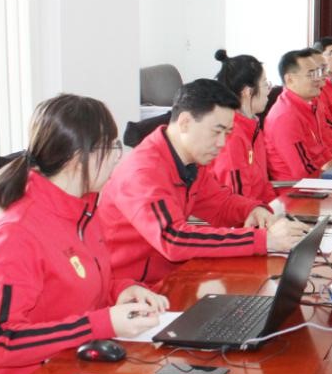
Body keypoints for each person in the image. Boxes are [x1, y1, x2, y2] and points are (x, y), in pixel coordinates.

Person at [0, 95, 168, 374]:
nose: (117, 158)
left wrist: (122, 289)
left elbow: (82, 284)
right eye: (111, 147)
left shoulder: (82, 211)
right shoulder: (16, 235)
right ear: (77, 158)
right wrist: (100, 324)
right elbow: (0, 342)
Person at [98, 79, 309, 287]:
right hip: (131, 291)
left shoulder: (189, 163)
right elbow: (173, 239)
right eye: (216, 132)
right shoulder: (143, 172)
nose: (221, 143)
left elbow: (220, 203)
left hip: (172, 279)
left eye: (227, 133)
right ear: (185, 123)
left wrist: (252, 210)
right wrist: (262, 240)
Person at [207, 49, 274, 207]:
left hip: (260, 212)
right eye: (265, 84)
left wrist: (277, 211)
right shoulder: (231, 135)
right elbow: (237, 202)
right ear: (247, 91)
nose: (269, 90)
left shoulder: (253, 127)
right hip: (245, 216)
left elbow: (264, 184)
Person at [264, 48, 332, 180]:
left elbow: (324, 149)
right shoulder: (285, 117)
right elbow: (304, 171)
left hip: (324, 176)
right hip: (298, 188)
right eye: (311, 74)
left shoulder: (311, 104)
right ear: (290, 79)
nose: (319, 78)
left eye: (318, 72)